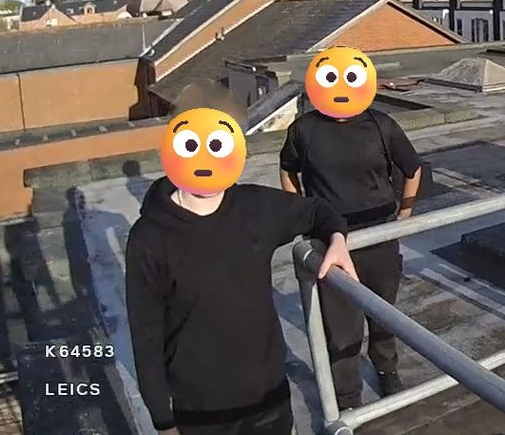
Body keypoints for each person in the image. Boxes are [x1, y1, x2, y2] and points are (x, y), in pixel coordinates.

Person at [126, 105, 358, 435]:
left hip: (268, 402)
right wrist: (163, 422)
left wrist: (336, 239)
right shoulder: (149, 237)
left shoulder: (256, 207)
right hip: (200, 412)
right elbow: (145, 335)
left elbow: (318, 212)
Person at [280, 46, 423, 410]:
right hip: (329, 242)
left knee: (383, 314)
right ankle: (347, 401)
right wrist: (302, 214)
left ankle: (387, 370)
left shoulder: (382, 125)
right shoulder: (304, 129)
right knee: (341, 329)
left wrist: (405, 215)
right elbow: (288, 170)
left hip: (379, 238)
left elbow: (412, 168)